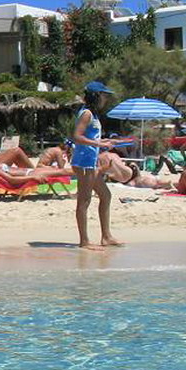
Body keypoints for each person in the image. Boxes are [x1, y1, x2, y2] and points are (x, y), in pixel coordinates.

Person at [72, 81, 121, 250]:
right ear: (95, 95)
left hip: (89, 162)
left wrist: (106, 141)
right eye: (104, 95)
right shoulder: (86, 114)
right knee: (84, 200)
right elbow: (77, 137)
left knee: (105, 196)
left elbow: (91, 138)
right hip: (83, 162)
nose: (106, 99)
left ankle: (106, 236)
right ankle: (84, 241)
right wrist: (99, 145)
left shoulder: (93, 114)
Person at [99, 151, 174, 190]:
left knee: (141, 182)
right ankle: (166, 183)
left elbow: (101, 174)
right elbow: (122, 163)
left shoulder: (99, 158)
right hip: (131, 169)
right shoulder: (113, 154)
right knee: (143, 179)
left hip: (124, 179)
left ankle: (163, 183)